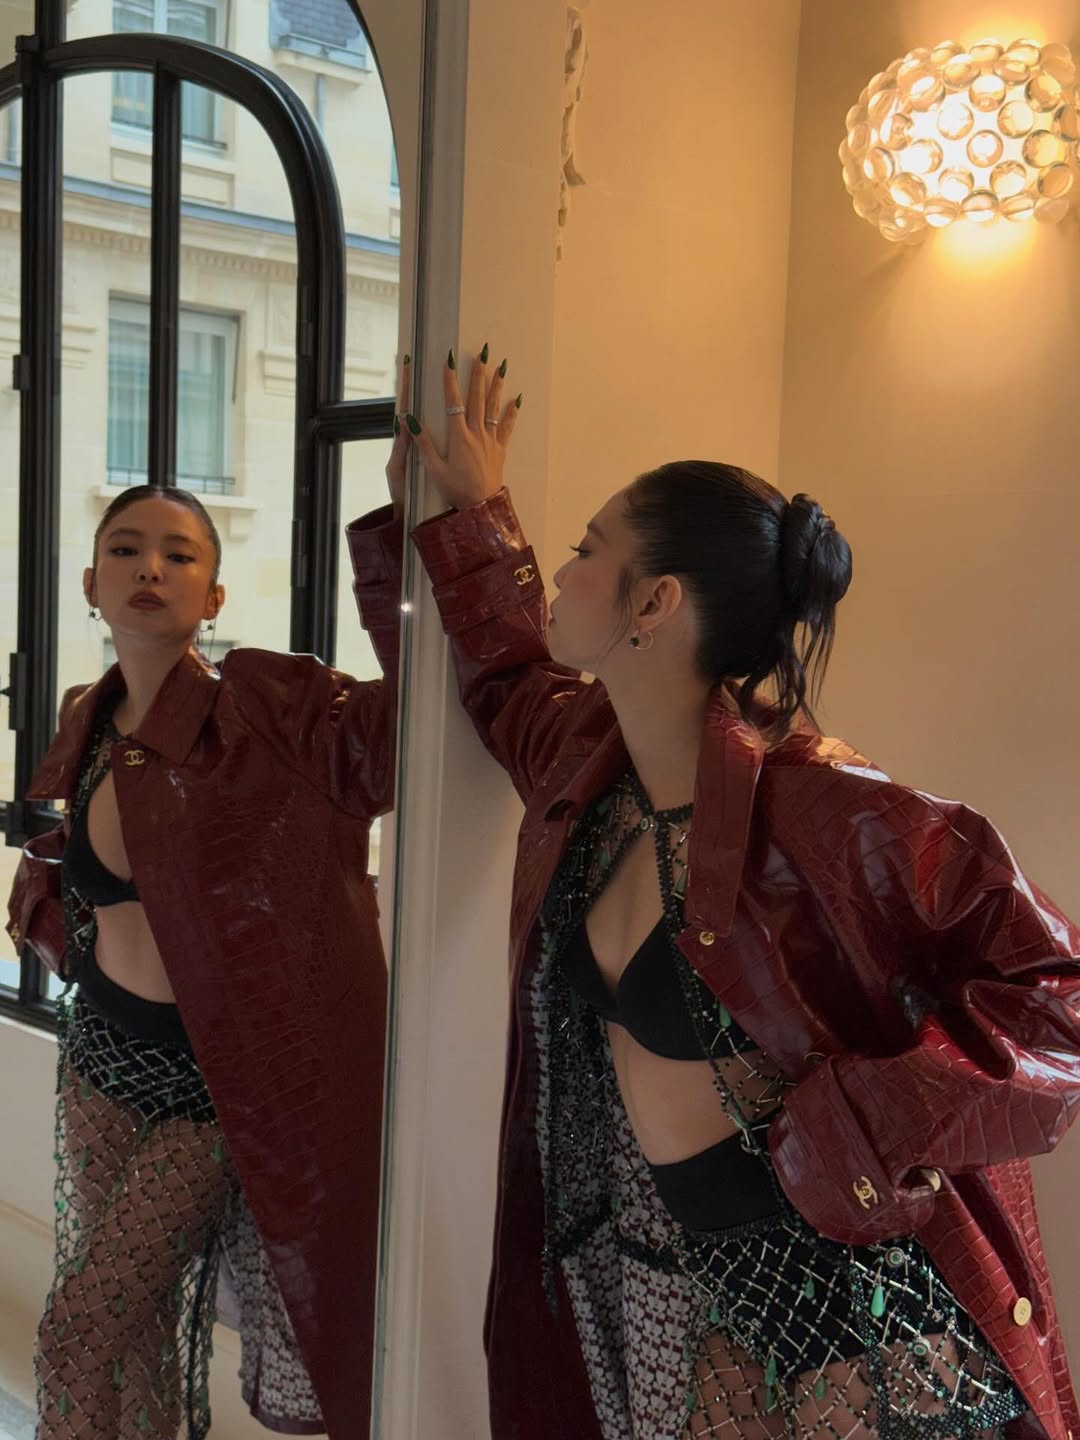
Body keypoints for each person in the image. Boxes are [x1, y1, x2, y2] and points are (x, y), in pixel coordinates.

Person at [400, 346, 1080, 1440]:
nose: (562, 574)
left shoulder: (823, 805)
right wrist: (472, 515)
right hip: (724, 1294)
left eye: (585, 549)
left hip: (865, 1318)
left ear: (654, 601)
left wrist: (856, 1122)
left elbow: (1060, 997)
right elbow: (510, 679)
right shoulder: (594, 769)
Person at [6, 368, 413, 1440]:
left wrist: (413, 526)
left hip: (205, 1087)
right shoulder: (85, 720)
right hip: (100, 1060)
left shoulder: (265, 715)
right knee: (135, 1335)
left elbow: (399, 730)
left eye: (180, 555)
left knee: (77, 1329)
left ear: (215, 597)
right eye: (127, 550)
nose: (151, 568)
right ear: (91, 583)